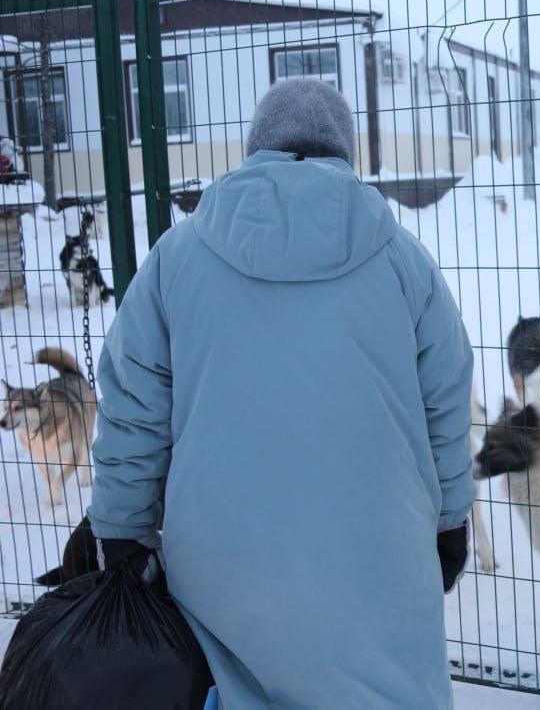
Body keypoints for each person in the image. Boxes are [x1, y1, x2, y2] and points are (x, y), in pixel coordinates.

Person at [88, 78, 475, 708]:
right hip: (379, 563)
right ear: (345, 152)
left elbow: (133, 405)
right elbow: (447, 405)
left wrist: (122, 529)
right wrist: (449, 519)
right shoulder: (405, 260)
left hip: (219, 570)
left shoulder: (174, 259)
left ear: (255, 150)